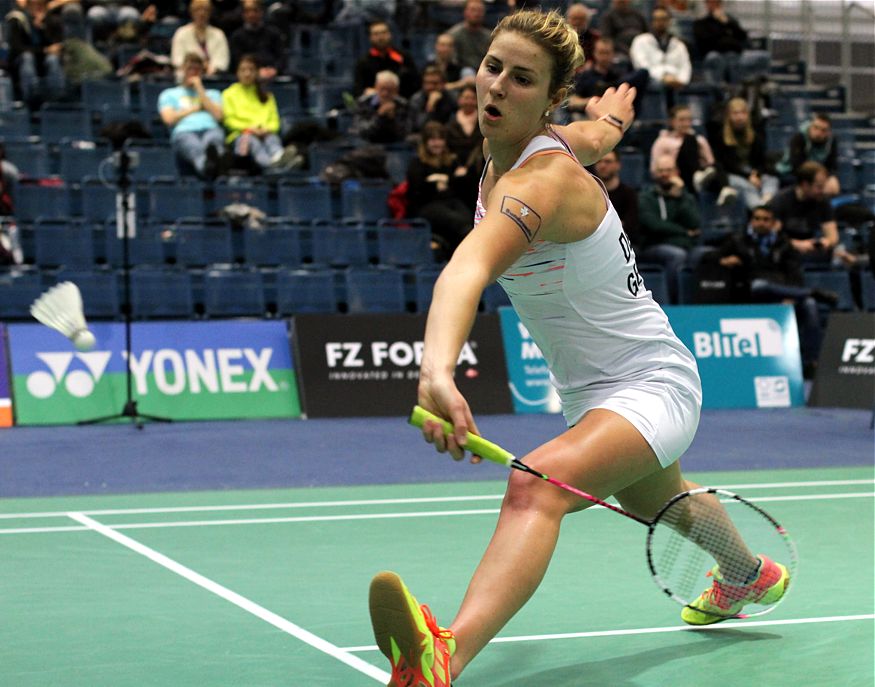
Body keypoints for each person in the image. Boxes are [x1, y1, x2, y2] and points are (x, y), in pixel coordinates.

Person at [368, 10, 790, 687]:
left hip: (652, 383)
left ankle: (443, 655)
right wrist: (614, 120)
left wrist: (437, 369)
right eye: (493, 67)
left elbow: (466, 270)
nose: (497, 86)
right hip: (592, 392)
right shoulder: (529, 143)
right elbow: (593, 136)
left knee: (531, 487)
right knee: (664, 501)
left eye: (522, 78)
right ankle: (744, 573)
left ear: (546, 100)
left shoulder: (540, 183)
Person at [714, 205, 837, 375]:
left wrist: (791, 296)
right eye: (757, 219)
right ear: (751, 221)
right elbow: (709, 257)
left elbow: (795, 274)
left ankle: (812, 363)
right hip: (750, 293)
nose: (760, 223)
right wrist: (724, 260)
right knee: (760, 285)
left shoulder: (784, 244)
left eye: (765, 219)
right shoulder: (738, 241)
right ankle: (812, 291)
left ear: (773, 223)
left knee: (809, 304)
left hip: (783, 295)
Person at [639, 153, 711, 301]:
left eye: (669, 170)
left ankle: (699, 300)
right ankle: (674, 301)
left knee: (706, 254)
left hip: (685, 245)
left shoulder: (686, 197)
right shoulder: (646, 197)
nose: (665, 174)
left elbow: (695, 223)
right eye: (661, 170)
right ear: (654, 174)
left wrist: (680, 197)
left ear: (676, 172)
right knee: (676, 255)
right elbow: (654, 226)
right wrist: (684, 232)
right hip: (654, 245)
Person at [405, 121, 471, 259]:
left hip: (450, 201)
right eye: (433, 139)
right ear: (426, 142)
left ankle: (455, 256)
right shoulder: (417, 163)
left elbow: (458, 187)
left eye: (440, 139)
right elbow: (416, 192)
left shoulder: (451, 161)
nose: (437, 143)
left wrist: (440, 180)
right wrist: (439, 183)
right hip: (426, 206)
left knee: (469, 218)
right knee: (458, 222)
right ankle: (462, 259)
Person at [649, 104, 737, 206]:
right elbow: (654, 169)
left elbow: (710, 163)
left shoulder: (700, 140)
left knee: (717, 165)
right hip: (678, 175)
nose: (686, 124)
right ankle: (698, 177)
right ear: (672, 121)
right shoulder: (662, 141)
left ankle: (725, 189)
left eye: (689, 120)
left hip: (701, 179)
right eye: (681, 120)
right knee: (690, 139)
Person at [222, 55, 295, 173]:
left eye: (251, 70)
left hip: (265, 133)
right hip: (241, 135)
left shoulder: (267, 95)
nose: (247, 74)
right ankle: (273, 167)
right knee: (252, 141)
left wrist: (266, 130)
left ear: (257, 72)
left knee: (272, 139)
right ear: (237, 73)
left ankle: (280, 157)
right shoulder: (228, 94)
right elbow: (229, 121)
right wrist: (250, 129)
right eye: (243, 70)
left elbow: (275, 122)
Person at [159, 52, 226, 179]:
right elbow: (169, 119)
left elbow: (218, 116)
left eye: (197, 69)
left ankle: (212, 165)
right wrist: (196, 108)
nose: (193, 72)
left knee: (213, 141)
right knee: (194, 146)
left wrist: (199, 88)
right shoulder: (169, 94)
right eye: (190, 68)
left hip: (211, 129)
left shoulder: (212, 94)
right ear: (182, 69)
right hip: (184, 131)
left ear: (202, 72)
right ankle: (208, 168)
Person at [709, 97, 779, 211]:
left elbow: (762, 161)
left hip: (753, 174)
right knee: (744, 184)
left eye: (743, 113)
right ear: (729, 116)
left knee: (772, 179)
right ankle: (758, 209)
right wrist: (748, 176)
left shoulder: (756, 135)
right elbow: (725, 164)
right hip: (733, 175)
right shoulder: (720, 136)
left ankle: (766, 201)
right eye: (735, 113)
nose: (739, 117)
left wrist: (756, 174)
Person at [767, 161, 839, 265]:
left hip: (813, 251)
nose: (823, 190)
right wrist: (795, 244)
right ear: (805, 185)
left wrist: (825, 242)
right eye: (819, 187)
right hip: (786, 251)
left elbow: (833, 236)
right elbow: (773, 235)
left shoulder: (822, 201)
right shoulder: (781, 200)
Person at [566, 37, 648, 119]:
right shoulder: (586, 76)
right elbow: (572, 101)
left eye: (607, 53)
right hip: (590, 117)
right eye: (601, 53)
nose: (604, 57)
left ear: (613, 54)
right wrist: (595, 100)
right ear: (594, 53)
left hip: (614, 115)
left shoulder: (619, 74)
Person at [5, 0, 66, 105]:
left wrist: (42, 29)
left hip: (43, 62)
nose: (38, 9)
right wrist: (44, 50)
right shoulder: (16, 19)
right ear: (28, 5)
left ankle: (56, 97)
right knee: (27, 57)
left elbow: (56, 46)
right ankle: (31, 97)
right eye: (35, 6)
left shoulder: (51, 21)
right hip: (20, 64)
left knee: (53, 59)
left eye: (41, 6)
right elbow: (17, 48)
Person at [629, 6, 691, 110]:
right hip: (651, 80)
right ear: (652, 21)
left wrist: (681, 81)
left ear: (669, 21)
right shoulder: (641, 41)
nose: (660, 22)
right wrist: (663, 77)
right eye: (657, 19)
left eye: (663, 19)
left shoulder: (679, 44)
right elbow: (641, 65)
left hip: (676, 82)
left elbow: (685, 66)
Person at [692, 0, 768, 84]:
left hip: (737, 54)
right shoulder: (702, 23)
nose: (714, 5)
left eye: (717, 3)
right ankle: (724, 92)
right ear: (706, 4)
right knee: (719, 59)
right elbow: (705, 42)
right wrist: (722, 30)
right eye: (711, 2)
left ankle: (759, 90)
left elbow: (743, 36)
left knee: (763, 57)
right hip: (716, 53)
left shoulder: (729, 21)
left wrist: (727, 22)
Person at [776, 113, 841, 197]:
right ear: (810, 126)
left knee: (832, 187)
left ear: (828, 132)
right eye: (816, 127)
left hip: (817, 177)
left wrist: (832, 177)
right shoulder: (799, 137)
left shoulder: (832, 141)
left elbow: (832, 164)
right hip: (793, 175)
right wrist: (818, 181)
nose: (818, 133)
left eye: (823, 130)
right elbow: (797, 166)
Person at [353, 20, 420, 99]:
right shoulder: (363, 62)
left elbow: (415, 84)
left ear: (390, 34)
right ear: (370, 37)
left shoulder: (404, 58)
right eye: (376, 34)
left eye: (384, 33)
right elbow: (359, 90)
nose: (380, 37)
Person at [593, 149, 640, 251]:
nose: (603, 165)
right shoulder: (591, 194)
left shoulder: (629, 194)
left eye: (608, 161)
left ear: (618, 165)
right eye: (599, 161)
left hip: (625, 244)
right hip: (596, 244)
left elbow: (631, 226)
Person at [170, 0, 229, 80]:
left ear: (210, 13)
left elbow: (222, 62)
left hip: (212, 80)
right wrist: (196, 67)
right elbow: (177, 60)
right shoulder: (181, 33)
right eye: (197, 9)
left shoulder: (219, 34)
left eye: (205, 10)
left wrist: (210, 68)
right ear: (191, 12)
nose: (201, 13)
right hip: (185, 79)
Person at [351, 70, 411, 144]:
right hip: (368, 145)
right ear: (376, 87)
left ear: (396, 90)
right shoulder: (363, 103)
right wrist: (379, 115)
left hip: (395, 145)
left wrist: (392, 119)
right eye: (382, 89)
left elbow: (404, 134)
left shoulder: (403, 105)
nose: (385, 93)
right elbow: (362, 131)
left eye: (390, 90)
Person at [228, 0, 285, 78]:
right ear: (243, 14)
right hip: (246, 76)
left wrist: (274, 69)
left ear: (262, 12)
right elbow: (236, 61)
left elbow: (281, 57)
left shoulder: (274, 33)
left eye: (255, 10)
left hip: (271, 76)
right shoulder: (236, 36)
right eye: (247, 11)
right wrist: (255, 71)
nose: (251, 14)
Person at [407, 65, 457, 135]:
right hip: (422, 138)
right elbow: (419, 126)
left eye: (434, 83)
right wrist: (430, 106)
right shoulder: (416, 99)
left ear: (443, 84)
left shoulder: (451, 97)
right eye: (426, 83)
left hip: (446, 137)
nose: (429, 87)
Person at [447, 0, 492, 74]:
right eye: (473, 10)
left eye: (480, 11)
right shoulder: (453, 35)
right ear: (465, 12)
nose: (476, 14)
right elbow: (453, 62)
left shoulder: (489, 36)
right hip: (460, 72)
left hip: (483, 70)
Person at [445, 83, 483, 165]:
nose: (469, 102)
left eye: (473, 98)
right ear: (459, 100)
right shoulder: (450, 123)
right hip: (455, 165)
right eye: (466, 98)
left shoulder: (483, 121)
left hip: (478, 164)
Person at [565, 2, 599, 69]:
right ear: (568, 20)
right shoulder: (562, 38)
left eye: (581, 19)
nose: (577, 22)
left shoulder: (595, 38)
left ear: (587, 21)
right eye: (574, 18)